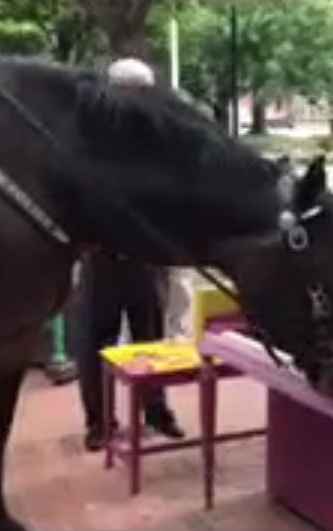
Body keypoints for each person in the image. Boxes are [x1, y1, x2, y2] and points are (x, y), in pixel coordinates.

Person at [71, 58, 185, 452]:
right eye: (131, 90)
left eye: (144, 90)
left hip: (146, 256)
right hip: (101, 254)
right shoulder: (91, 139)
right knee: (95, 342)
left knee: (151, 336)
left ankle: (155, 411)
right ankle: (99, 422)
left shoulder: (160, 140)